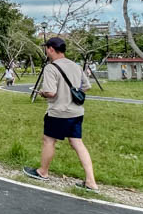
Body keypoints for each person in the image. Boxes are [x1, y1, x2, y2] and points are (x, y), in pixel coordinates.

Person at [23, 37, 98, 191]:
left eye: (46, 48)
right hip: (76, 112)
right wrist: (72, 93)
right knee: (77, 142)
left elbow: (51, 92)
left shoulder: (51, 68)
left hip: (58, 112)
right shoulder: (75, 66)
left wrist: (43, 93)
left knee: (48, 140)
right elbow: (86, 86)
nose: (46, 51)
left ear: (51, 49)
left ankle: (43, 172)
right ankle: (91, 181)